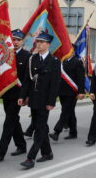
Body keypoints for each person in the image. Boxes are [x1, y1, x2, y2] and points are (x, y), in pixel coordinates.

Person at [18, 31, 61, 169]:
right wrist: (22, 96)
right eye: (38, 42)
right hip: (33, 99)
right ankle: (47, 152)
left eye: (42, 42)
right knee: (39, 126)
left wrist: (51, 102)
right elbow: (26, 81)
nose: (39, 44)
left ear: (48, 44)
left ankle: (30, 158)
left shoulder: (54, 61)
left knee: (39, 128)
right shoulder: (32, 59)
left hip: (45, 100)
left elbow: (55, 84)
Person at [0, 29, 30, 163]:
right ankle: (21, 145)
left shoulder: (27, 56)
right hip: (7, 93)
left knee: (9, 122)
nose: (16, 42)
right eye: (14, 39)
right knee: (13, 120)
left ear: (23, 41)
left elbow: (28, 79)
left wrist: (26, 96)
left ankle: (0, 152)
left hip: (18, 95)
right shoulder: (5, 54)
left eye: (18, 40)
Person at [49, 46, 85, 142]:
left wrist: (81, 92)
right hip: (62, 91)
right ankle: (73, 132)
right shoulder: (62, 62)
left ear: (73, 51)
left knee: (65, 112)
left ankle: (57, 132)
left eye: (70, 50)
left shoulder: (77, 62)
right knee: (70, 112)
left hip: (72, 92)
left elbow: (81, 78)